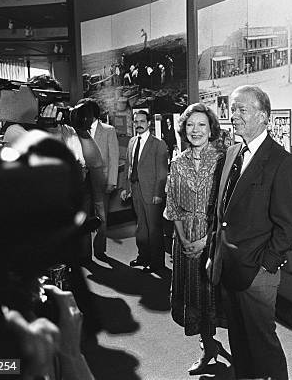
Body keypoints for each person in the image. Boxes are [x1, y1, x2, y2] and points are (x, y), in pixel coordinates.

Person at [207, 85, 292, 380]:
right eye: (232, 109)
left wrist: (267, 264)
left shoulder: (281, 162)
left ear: (263, 116)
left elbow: (288, 226)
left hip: (257, 274)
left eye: (241, 110)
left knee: (264, 344)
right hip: (228, 265)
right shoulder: (231, 153)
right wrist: (214, 254)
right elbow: (219, 213)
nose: (233, 115)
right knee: (239, 340)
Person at [164, 103, 230, 375]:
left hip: (215, 238)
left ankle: (235, 347)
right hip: (185, 241)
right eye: (190, 125)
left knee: (216, 296)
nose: (196, 130)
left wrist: (205, 241)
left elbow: (227, 207)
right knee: (195, 297)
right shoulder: (177, 162)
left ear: (211, 128)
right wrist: (184, 240)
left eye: (202, 124)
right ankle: (207, 347)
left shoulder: (224, 160)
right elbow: (173, 206)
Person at [120, 110, 169, 275]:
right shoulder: (132, 141)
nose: (138, 124)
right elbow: (129, 167)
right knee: (141, 227)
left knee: (154, 229)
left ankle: (156, 263)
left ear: (149, 123)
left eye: (142, 121)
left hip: (151, 191)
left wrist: (158, 193)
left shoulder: (158, 144)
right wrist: (126, 188)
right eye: (136, 121)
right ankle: (143, 257)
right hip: (135, 189)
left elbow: (162, 172)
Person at [77, 98, 120, 258]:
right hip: (82, 181)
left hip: (102, 182)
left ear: (92, 113)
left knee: (101, 217)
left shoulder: (109, 130)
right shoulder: (77, 130)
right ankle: (84, 253)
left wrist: (112, 181)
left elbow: (114, 157)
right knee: (83, 216)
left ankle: (100, 250)